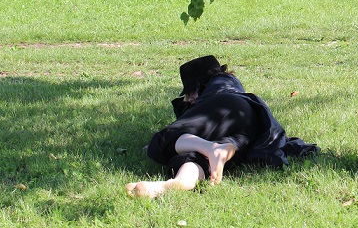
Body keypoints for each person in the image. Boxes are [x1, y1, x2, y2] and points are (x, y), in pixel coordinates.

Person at [126, 55, 319, 199]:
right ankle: (176, 183)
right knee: (197, 157)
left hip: (226, 106)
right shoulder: (229, 83)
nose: (190, 99)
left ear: (199, 85)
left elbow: (177, 129)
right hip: (248, 126)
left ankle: (212, 148)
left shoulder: (217, 86)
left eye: (190, 92)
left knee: (165, 138)